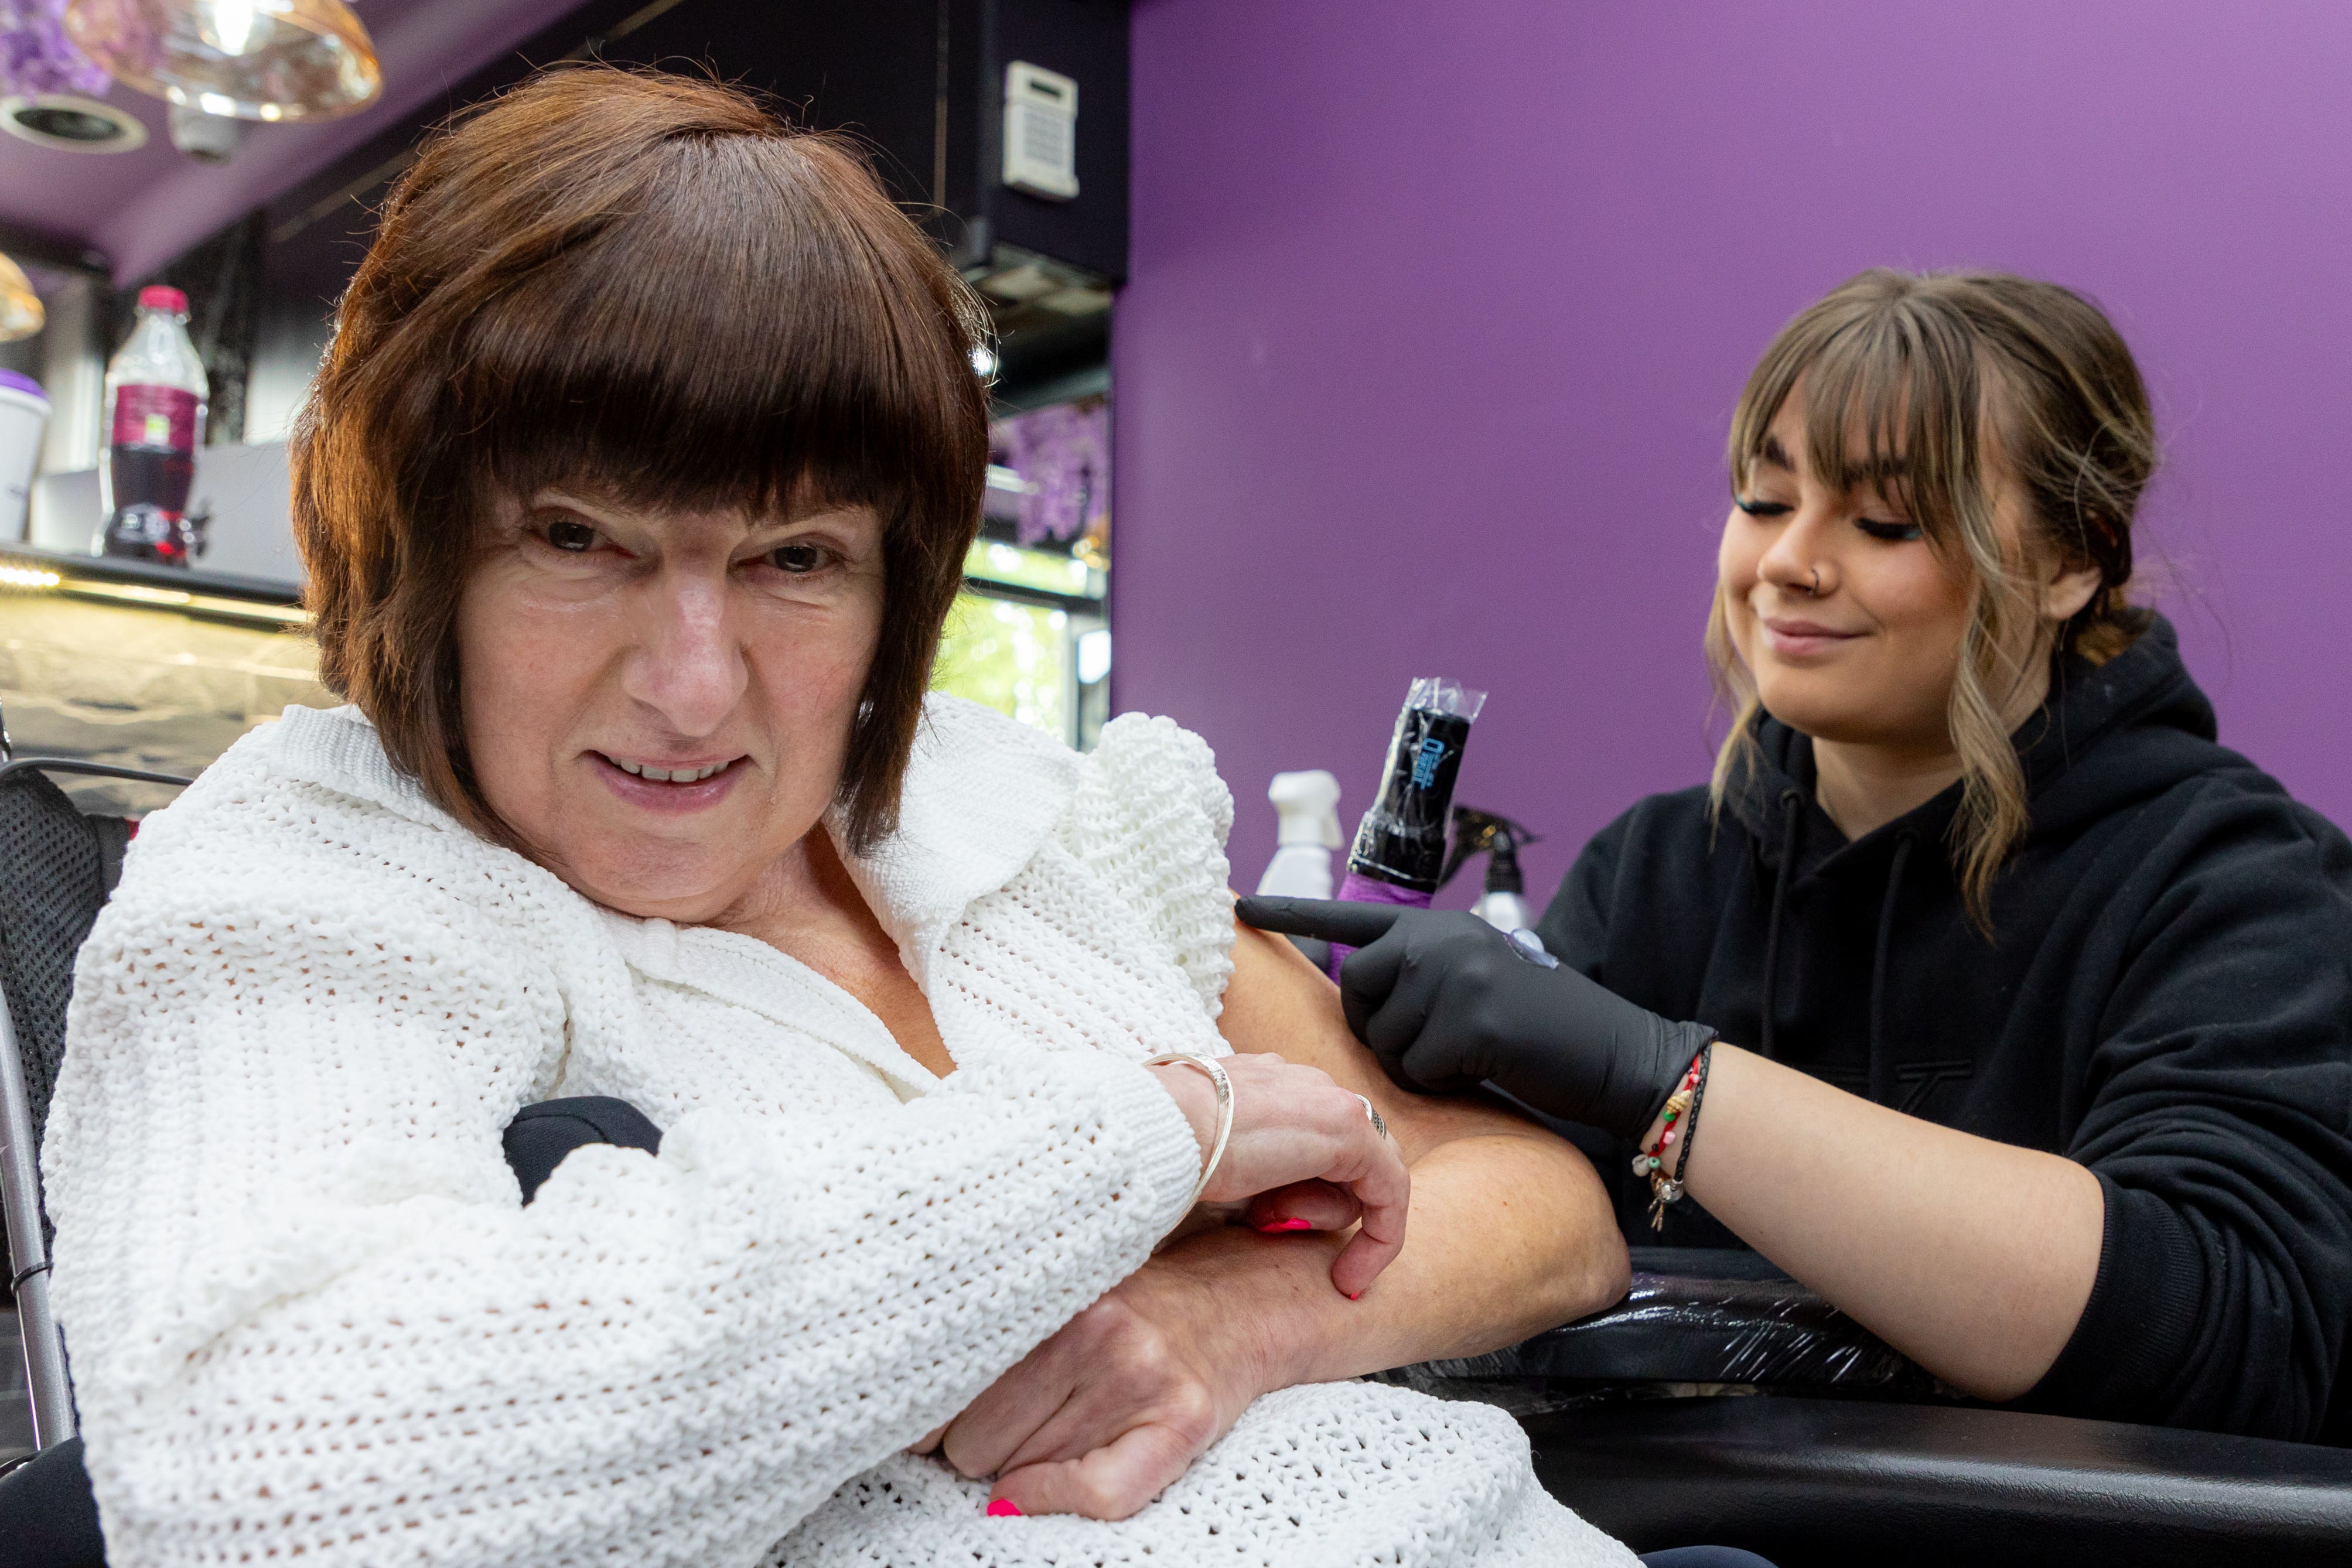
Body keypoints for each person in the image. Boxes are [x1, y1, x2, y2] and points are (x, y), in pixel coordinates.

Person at [36, 67, 1647, 1567]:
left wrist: (1235, 1317)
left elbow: (1536, 1208)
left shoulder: (1013, 818)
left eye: (795, 557)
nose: (690, 684)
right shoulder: (327, 872)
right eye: (581, 537)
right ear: (420, 548)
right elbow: (251, 1479)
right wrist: (1130, 1140)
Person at [1245, 268, 2352, 1444]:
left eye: (1886, 524)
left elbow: (2237, 1332)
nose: (1789, 564)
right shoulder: (1657, 872)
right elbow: (1466, 1230)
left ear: (2073, 561)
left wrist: (1668, 1082)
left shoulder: (2237, 885)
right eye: (1764, 503)